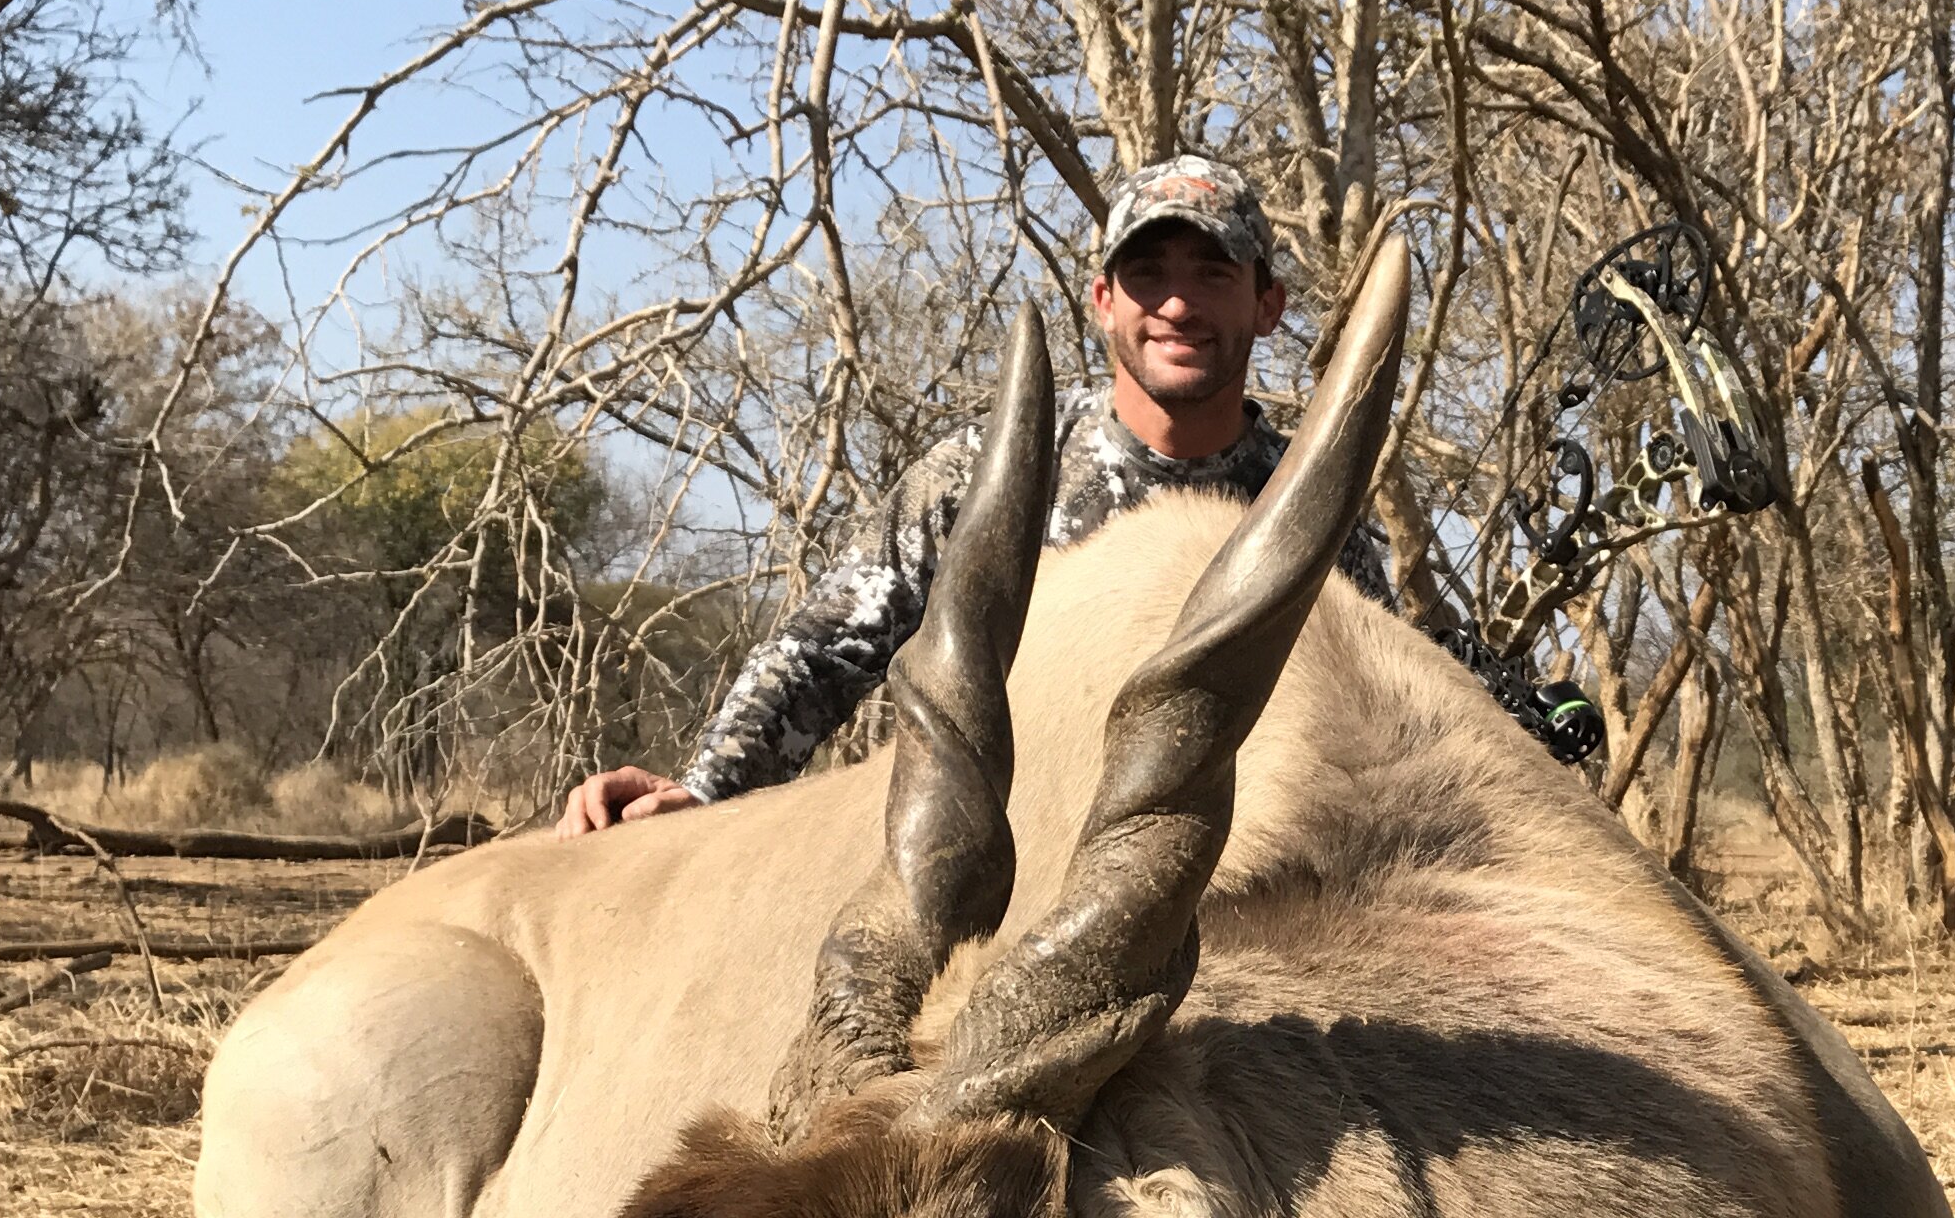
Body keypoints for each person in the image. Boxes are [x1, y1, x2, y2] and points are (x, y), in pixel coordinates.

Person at [561, 156, 1547, 832]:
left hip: (1242, 881)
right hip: (1005, 860)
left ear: (1269, 305)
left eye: (1213, 273)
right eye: (1147, 272)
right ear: (1102, 300)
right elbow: (825, 649)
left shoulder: (1311, 510)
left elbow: (1375, 713)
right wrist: (706, 789)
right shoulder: (987, 473)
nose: (1177, 301)